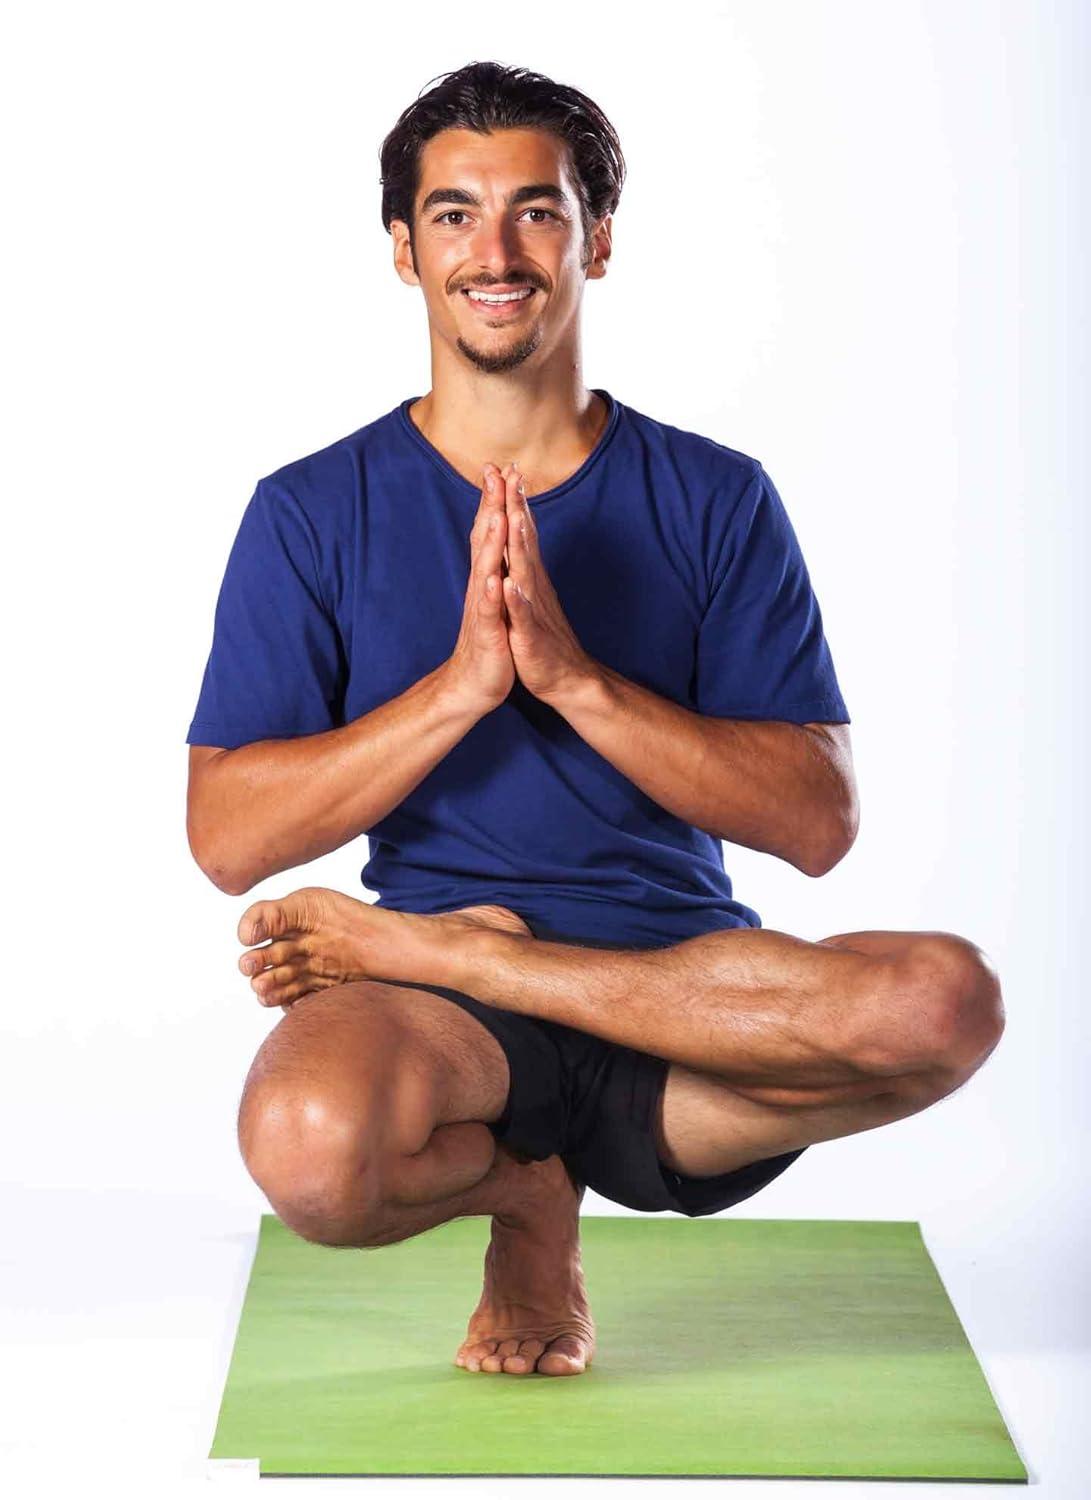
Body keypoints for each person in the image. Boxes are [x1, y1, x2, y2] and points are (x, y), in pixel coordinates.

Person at [185, 61, 1005, 1379]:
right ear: (403, 250)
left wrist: (575, 681)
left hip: (681, 1000)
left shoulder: (717, 498)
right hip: (442, 1020)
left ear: (597, 239)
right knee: (310, 1150)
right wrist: (462, 689)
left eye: (537, 211)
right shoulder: (309, 511)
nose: (495, 252)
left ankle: (487, 971)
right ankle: (527, 1199)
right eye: (454, 214)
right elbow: (227, 839)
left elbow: (817, 825)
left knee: (945, 1004)